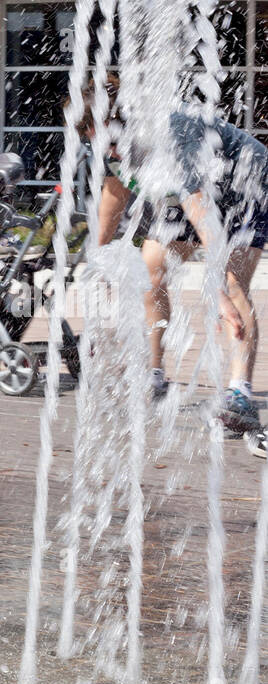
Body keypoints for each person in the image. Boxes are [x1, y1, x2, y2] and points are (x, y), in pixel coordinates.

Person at [89, 78, 268, 451]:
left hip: (246, 181)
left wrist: (215, 289)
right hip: (194, 192)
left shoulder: (171, 130)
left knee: (234, 283)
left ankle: (240, 395)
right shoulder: (112, 140)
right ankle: (153, 375)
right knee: (151, 272)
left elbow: (201, 212)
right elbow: (115, 190)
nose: (107, 150)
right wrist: (96, 252)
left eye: (106, 141)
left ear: (117, 119)